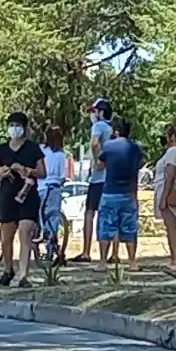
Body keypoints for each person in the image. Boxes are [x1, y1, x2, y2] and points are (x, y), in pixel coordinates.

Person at [0, 112, 46, 287]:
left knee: (25, 232)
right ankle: (8, 270)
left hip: (27, 195)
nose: (14, 129)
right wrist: (2, 172)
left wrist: (27, 170)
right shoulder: (2, 149)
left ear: (25, 128)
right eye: (11, 125)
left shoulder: (32, 148)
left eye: (18, 125)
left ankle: (23, 275)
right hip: (7, 197)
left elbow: (43, 172)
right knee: (6, 238)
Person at [96, 116, 143, 272]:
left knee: (106, 227)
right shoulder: (135, 148)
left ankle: (103, 262)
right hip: (129, 192)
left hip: (110, 191)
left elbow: (99, 165)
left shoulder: (109, 147)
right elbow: (138, 167)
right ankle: (132, 262)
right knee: (130, 228)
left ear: (116, 131)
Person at [76, 97, 114, 263]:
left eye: (94, 111)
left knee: (90, 213)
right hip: (111, 177)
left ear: (101, 112)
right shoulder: (112, 129)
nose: (92, 114)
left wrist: (99, 160)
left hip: (98, 178)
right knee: (109, 215)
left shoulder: (98, 126)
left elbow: (93, 143)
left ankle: (86, 251)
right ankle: (113, 253)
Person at [154, 124, 176, 271]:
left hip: (172, 192)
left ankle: (175, 260)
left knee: (172, 227)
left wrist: (164, 197)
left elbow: (170, 174)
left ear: (172, 137)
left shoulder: (172, 152)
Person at [38, 125, 70, 264]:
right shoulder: (61, 155)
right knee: (53, 218)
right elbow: (63, 176)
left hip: (40, 187)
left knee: (38, 216)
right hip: (55, 187)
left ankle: (40, 237)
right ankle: (51, 246)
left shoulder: (41, 150)